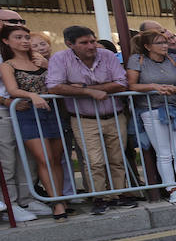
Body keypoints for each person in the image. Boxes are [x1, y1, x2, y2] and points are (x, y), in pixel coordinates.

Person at [47, 25, 139, 215]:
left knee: (117, 157)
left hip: (114, 115)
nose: (91, 46)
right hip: (84, 118)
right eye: (84, 43)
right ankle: (99, 197)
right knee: (94, 160)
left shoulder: (106, 56)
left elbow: (121, 83)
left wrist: (89, 87)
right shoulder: (60, 59)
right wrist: (88, 91)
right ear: (70, 44)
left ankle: (119, 194)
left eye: (93, 41)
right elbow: (54, 87)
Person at [0, 24, 69, 220]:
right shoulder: (8, 65)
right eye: (18, 37)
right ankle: (57, 204)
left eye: (26, 37)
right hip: (29, 113)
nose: (24, 41)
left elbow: (59, 80)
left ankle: (60, 198)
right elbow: (12, 90)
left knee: (56, 159)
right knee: (44, 158)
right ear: (6, 41)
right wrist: (32, 95)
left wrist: (47, 65)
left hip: (52, 111)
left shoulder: (41, 60)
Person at [126, 29, 176, 204]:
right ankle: (172, 189)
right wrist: (152, 86)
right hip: (151, 109)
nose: (165, 46)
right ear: (147, 46)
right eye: (160, 43)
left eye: (165, 42)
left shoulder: (173, 59)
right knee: (164, 153)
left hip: (175, 108)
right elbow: (132, 85)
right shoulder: (137, 60)